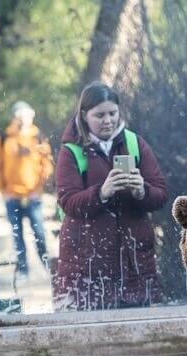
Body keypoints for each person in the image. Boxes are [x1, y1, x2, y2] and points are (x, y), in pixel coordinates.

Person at [54, 82, 168, 311]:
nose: (108, 121)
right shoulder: (71, 151)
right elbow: (68, 202)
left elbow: (161, 194)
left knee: (138, 332)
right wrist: (101, 193)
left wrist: (141, 191)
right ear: (85, 116)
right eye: (99, 115)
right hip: (86, 263)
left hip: (135, 261)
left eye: (112, 113)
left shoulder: (135, 143)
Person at [0, 101, 54, 279]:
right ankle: (24, 270)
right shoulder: (4, 137)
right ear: (15, 117)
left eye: (27, 115)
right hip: (12, 196)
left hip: (33, 196)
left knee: (39, 232)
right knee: (18, 235)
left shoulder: (38, 136)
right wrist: (3, 190)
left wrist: (40, 186)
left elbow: (47, 163)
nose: (24, 119)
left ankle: (48, 267)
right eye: (20, 115)